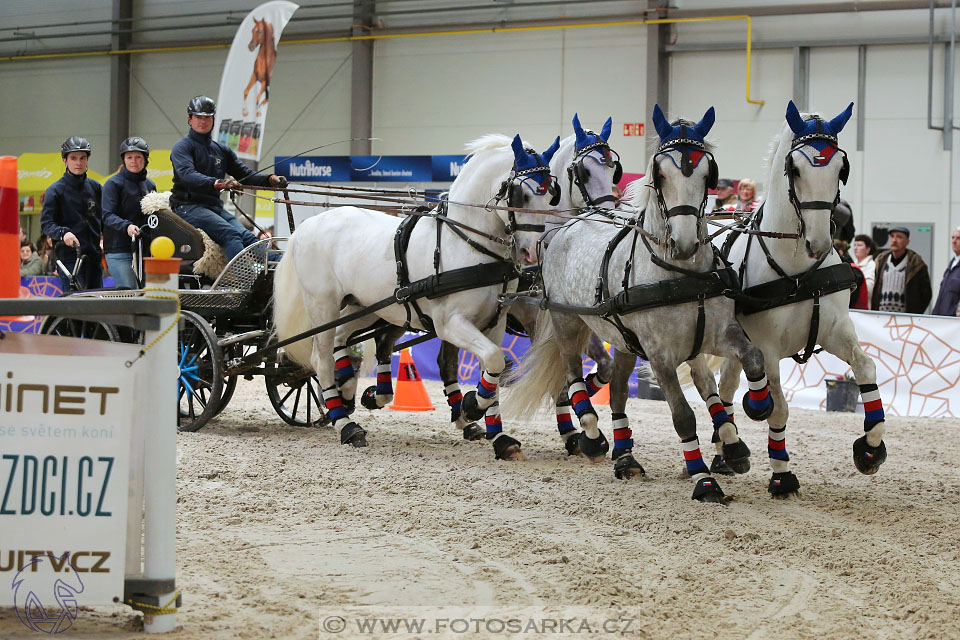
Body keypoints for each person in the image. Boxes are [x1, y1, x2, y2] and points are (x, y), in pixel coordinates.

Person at [170, 96, 287, 260]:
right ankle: (242, 281)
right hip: (188, 206)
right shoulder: (182, 147)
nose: (203, 121)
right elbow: (188, 174)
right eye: (198, 117)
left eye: (207, 117)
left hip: (214, 208)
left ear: (213, 119)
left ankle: (277, 269)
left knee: (249, 238)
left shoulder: (221, 150)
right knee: (231, 234)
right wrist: (217, 183)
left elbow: (245, 175)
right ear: (190, 119)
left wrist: (270, 179)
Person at [40, 136, 105, 291]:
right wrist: (63, 233)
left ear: (87, 160)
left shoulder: (96, 188)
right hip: (69, 258)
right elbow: (46, 224)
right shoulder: (55, 190)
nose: (78, 162)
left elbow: (104, 218)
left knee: (98, 308)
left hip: (94, 257)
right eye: (74, 158)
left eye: (83, 158)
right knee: (75, 308)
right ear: (65, 160)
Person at [101, 137, 156, 288]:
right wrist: (127, 226)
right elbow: (107, 215)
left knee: (147, 294)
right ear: (123, 160)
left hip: (144, 250)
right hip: (119, 250)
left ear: (145, 160)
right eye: (129, 157)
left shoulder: (150, 185)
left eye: (138, 157)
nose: (134, 161)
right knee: (130, 292)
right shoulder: (113, 184)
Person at [872, 226, 932, 313]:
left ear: (907, 242)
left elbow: (926, 294)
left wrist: (915, 313)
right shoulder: (881, 261)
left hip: (905, 317)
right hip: (882, 315)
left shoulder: (916, 264)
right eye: (892, 236)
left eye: (899, 237)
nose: (894, 240)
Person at [931, 226, 960, 317]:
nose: (954, 241)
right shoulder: (952, 265)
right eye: (953, 237)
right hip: (941, 320)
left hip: (954, 323)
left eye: (958, 238)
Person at [835, 239, 867, 309]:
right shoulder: (846, 269)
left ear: (840, 252)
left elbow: (850, 301)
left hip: (859, 315)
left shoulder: (854, 270)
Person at [852, 233, 877, 305]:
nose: (855, 248)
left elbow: (869, 289)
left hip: (865, 307)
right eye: (854, 245)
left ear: (868, 249)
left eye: (859, 245)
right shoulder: (853, 264)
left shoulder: (872, 265)